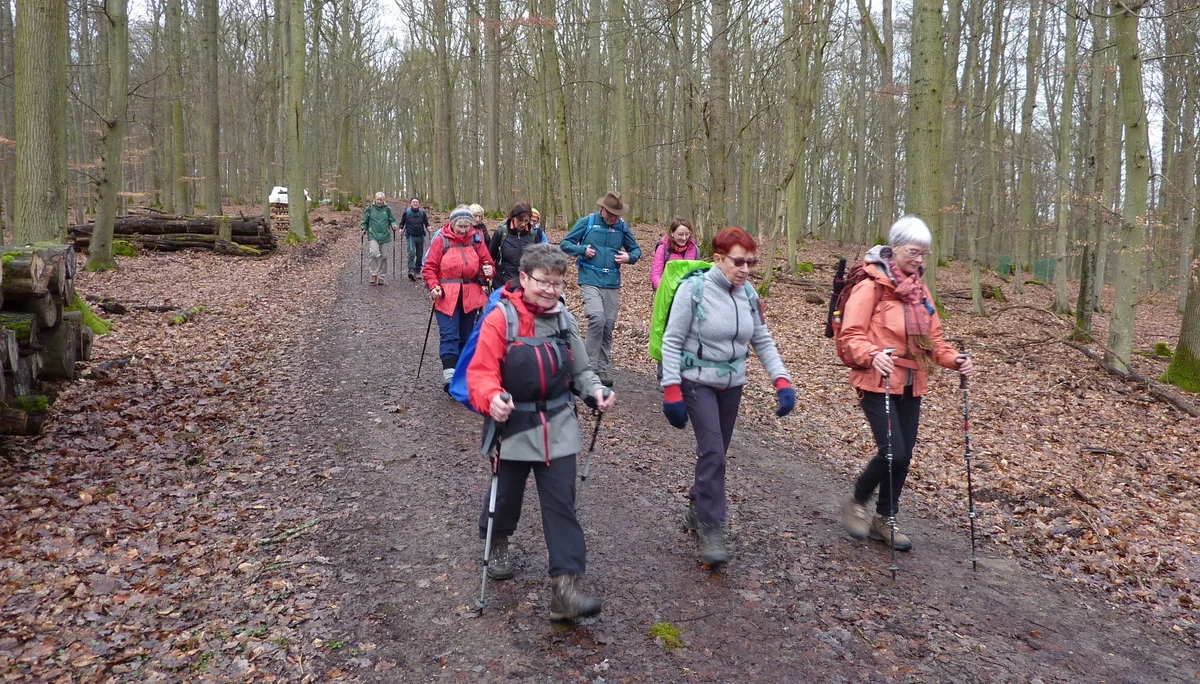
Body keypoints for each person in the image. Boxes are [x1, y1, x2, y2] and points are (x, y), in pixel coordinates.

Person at [466, 243, 615, 621]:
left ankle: (565, 588)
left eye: (557, 283)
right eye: (543, 282)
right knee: (508, 497)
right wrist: (492, 398)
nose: (550, 290)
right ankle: (496, 539)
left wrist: (594, 390)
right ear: (523, 278)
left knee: (562, 504)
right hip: (514, 424)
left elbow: (581, 369)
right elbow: (481, 373)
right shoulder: (501, 318)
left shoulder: (565, 319)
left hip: (559, 423)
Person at [659, 227, 795, 567]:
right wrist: (672, 388)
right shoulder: (694, 291)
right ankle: (711, 525)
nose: (745, 269)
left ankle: (696, 506)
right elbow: (672, 341)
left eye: (751, 263)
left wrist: (781, 380)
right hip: (696, 381)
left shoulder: (747, 293)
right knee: (713, 451)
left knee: (716, 453)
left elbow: (761, 339)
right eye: (738, 262)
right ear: (718, 258)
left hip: (732, 383)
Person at [838, 216, 975, 551]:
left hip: (913, 383)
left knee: (903, 457)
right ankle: (857, 501)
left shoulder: (920, 292)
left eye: (924, 254)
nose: (919, 260)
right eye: (914, 252)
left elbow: (935, 342)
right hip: (876, 380)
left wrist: (954, 359)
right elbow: (851, 335)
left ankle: (884, 519)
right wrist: (872, 354)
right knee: (892, 453)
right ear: (895, 247)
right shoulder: (870, 286)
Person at [560, 191, 642, 388]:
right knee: (597, 319)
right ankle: (586, 368)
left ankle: (602, 368)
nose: (614, 218)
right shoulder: (587, 222)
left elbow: (636, 250)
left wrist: (628, 257)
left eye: (617, 215)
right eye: (611, 214)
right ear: (602, 210)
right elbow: (566, 243)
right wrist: (582, 250)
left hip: (612, 281)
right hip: (590, 278)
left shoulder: (622, 227)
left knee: (608, 324)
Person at [423, 206, 495, 389]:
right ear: (452, 224)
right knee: (449, 334)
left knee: (466, 335)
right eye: (460, 226)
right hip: (446, 295)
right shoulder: (441, 239)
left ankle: (462, 374)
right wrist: (433, 286)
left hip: (471, 294)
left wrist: (489, 271)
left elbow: (487, 263)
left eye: (466, 226)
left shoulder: (476, 239)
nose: (463, 230)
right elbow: (429, 267)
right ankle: (449, 376)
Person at [489, 201, 548, 285]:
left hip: (525, 285)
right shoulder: (501, 233)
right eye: (520, 220)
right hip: (503, 284)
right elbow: (489, 258)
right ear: (513, 217)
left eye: (526, 220)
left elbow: (539, 261)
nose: (523, 224)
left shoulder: (533, 236)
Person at [650, 217, 699, 290]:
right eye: (680, 234)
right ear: (672, 233)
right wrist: (661, 288)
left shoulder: (694, 248)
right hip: (667, 291)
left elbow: (697, 271)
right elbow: (656, 272)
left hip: (688, 292)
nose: (684, 238)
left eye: (687, 234)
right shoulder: (663, 248)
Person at [360, 192, 397, 286]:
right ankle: (374, 274)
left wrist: (393, 225)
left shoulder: (388, 209)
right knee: (374, 253)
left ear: (384, 200)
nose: (379, 201)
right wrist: (363, 229)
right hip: (373, 235)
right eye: (378, 199)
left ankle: (381, 276)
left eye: (381, 199)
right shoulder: (370, 209)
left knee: (384, 256)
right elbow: (365, 221)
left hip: (385, 235)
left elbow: (392, 220)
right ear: (375, 199)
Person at [401, 197, 430, 281]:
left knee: (420, 254)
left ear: (419, 204)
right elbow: (402, 223)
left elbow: (426, 223)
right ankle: (411, 270)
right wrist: (401, 228)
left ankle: (417, 271)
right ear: (411, 203)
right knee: (411, 253)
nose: (415, 203)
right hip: (410, 236)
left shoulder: (422, 213)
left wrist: (428, 227)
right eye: (413, 202)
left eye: (416, 202)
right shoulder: (407, 212)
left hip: (420, 235)